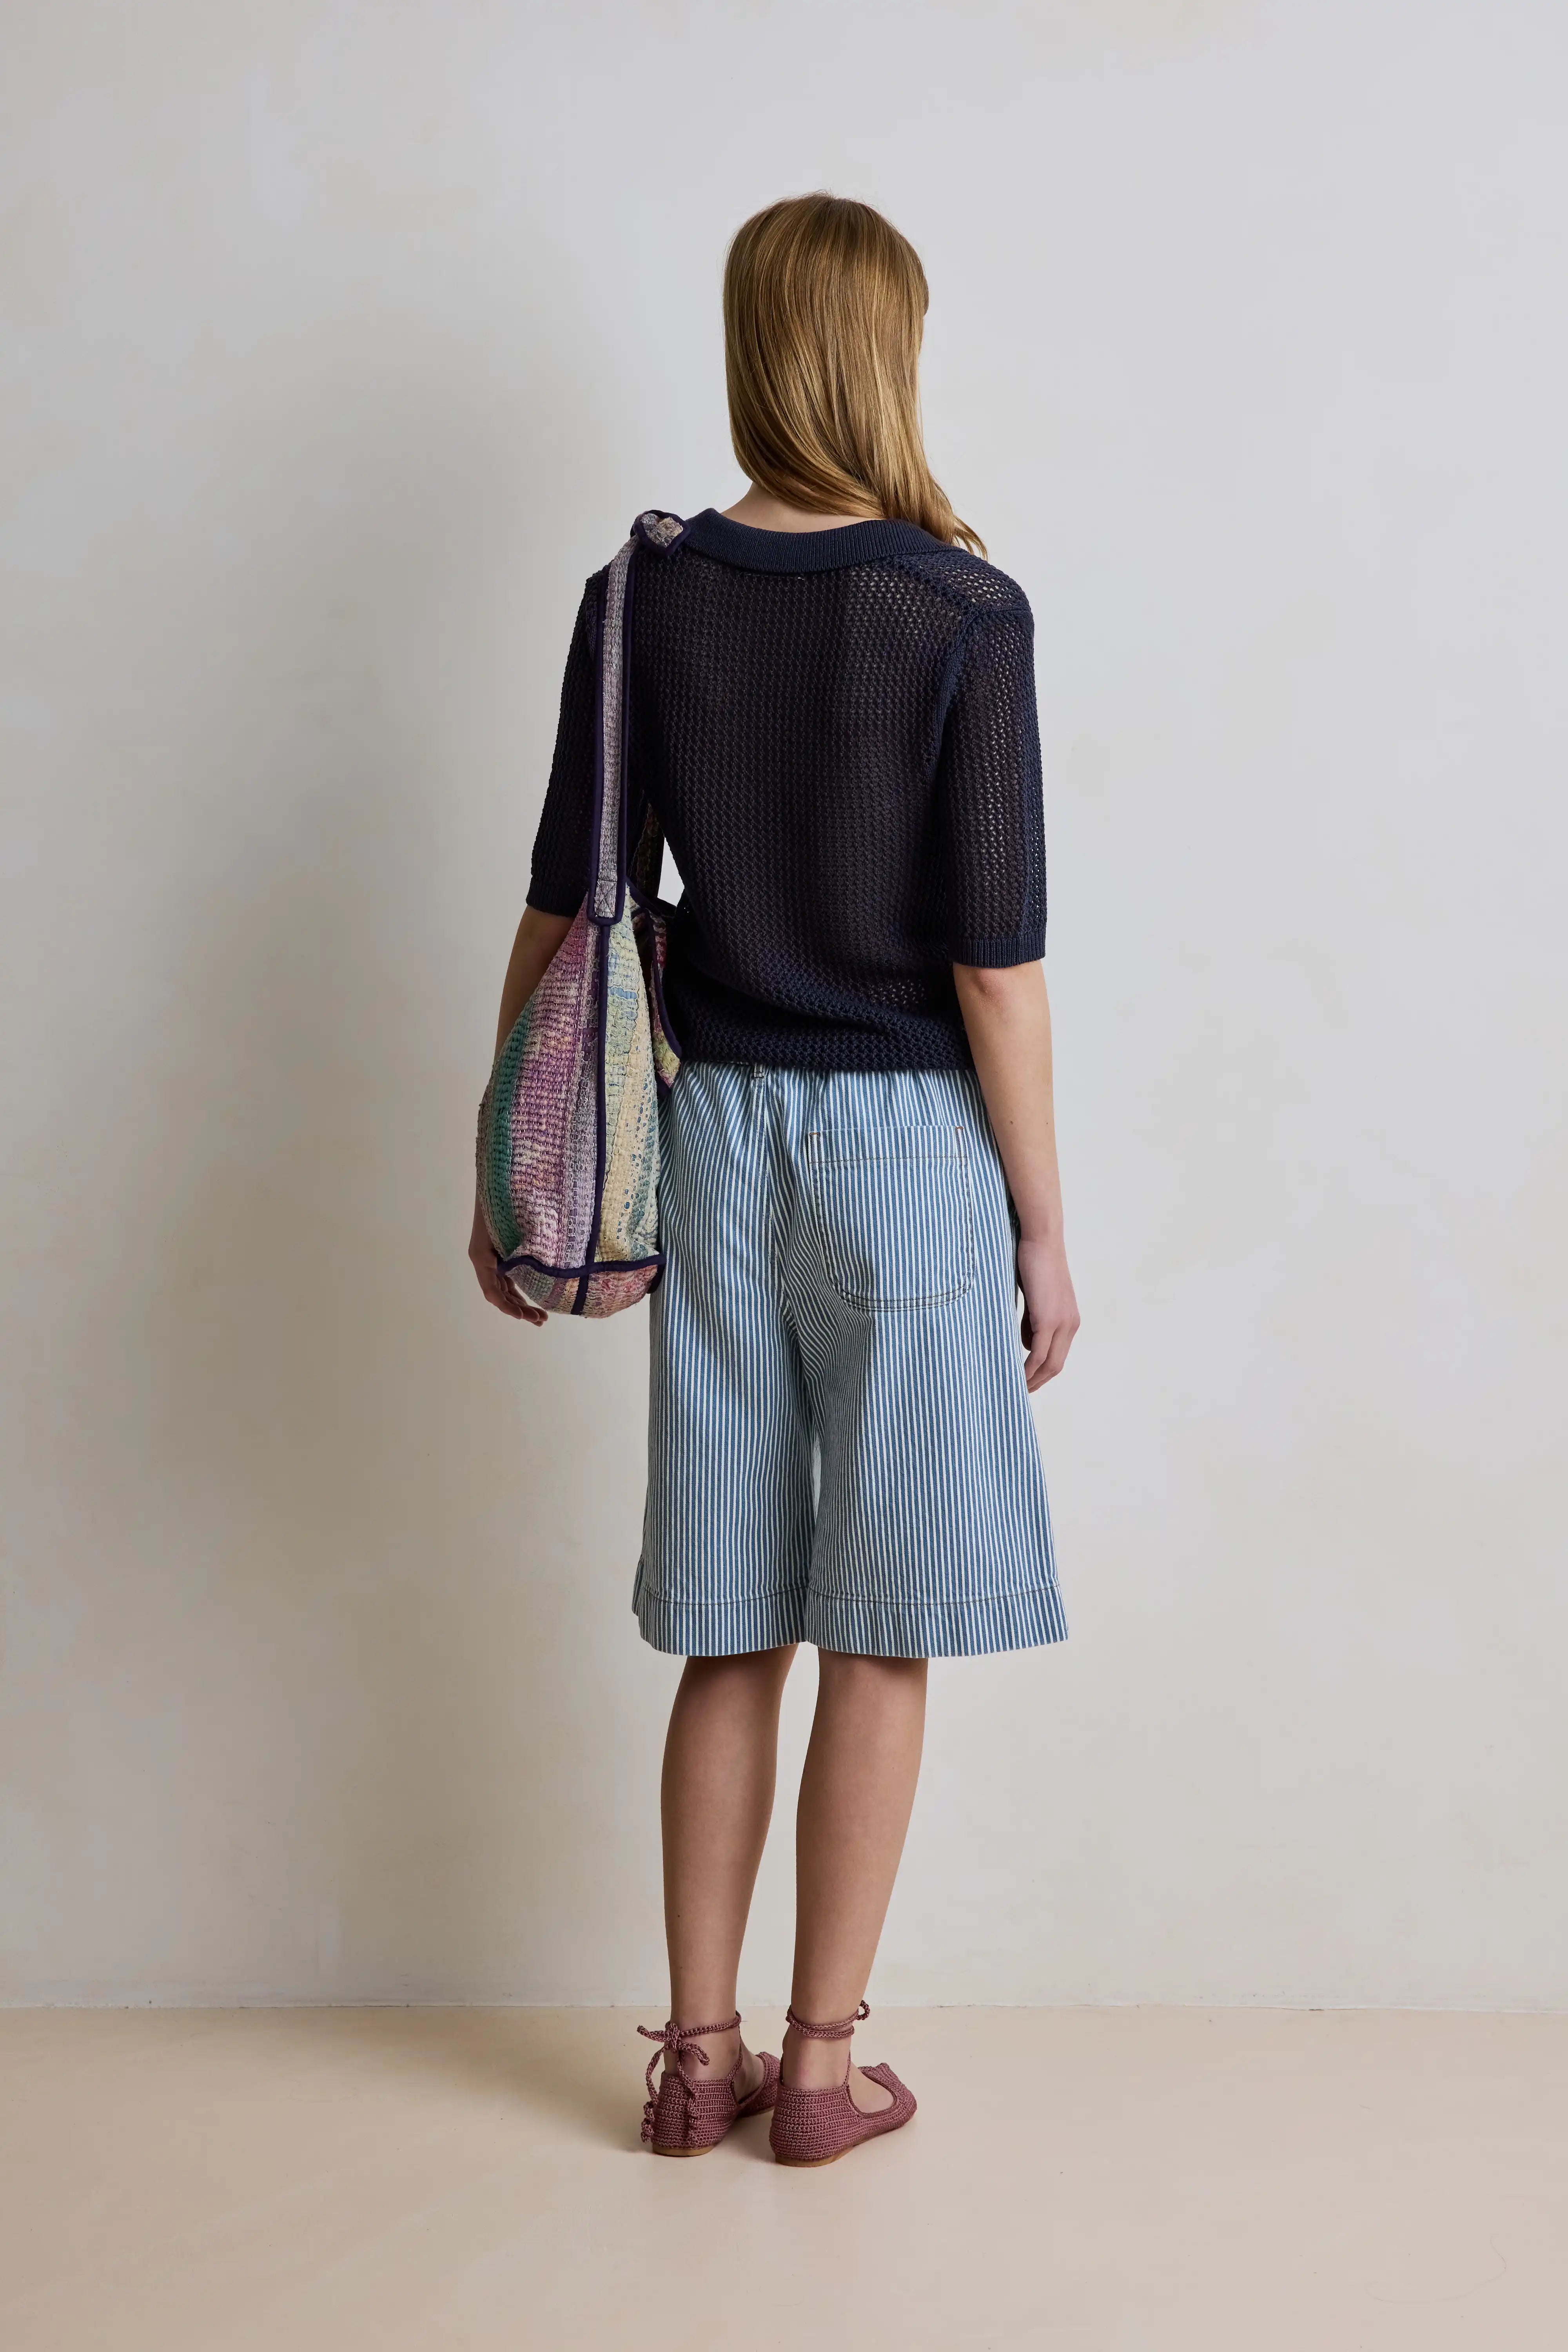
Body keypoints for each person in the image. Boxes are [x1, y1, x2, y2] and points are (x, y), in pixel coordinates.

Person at [469, 192, 1078, 2167]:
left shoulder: (642, 593)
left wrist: (510, 1164)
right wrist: (1043, 1223)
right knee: (874, 1621)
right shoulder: (961, 611)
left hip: (712, 1136)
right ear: (884, 353)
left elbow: (567, 901)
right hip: (905, 1152)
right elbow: (994, 961)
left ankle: (693, 2059)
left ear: (755, 349)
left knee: (733, 1620)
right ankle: (819, 2075)